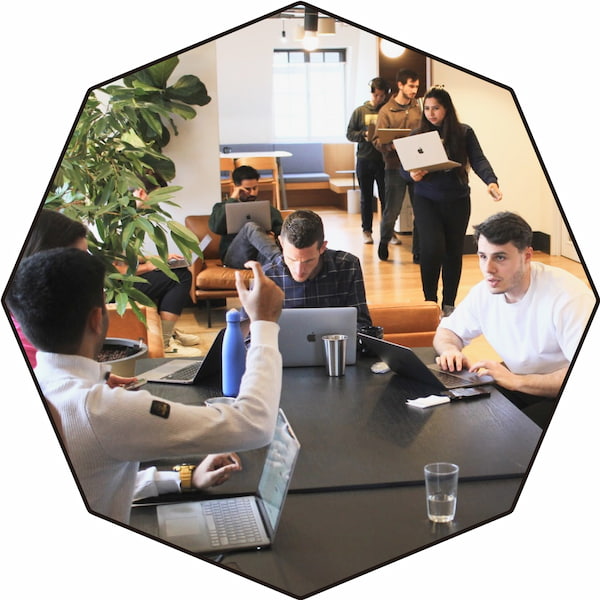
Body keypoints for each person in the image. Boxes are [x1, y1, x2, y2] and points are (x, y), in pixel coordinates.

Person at [6, 250, 285, 524]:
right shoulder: (103, 410)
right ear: (96, 319)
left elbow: (91, 478)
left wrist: (184, 479)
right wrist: (263, 323)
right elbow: (254, 425)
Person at [433, 211, 595, 429]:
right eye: (483, 256)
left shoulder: (568, 297)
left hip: (570, 395)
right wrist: (450, 350)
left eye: (500, 257)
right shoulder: (486, 291)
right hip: (519, 382)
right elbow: (447, 333)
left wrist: (517, 381)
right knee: (462, 417)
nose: (488, 269)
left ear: (527, 256)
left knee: (512, 434)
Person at [402, 86, 503, 316]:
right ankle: (430, 302)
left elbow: (479, 160)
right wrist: (412, 174)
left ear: (446, 108)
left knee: (453, 251)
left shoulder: (464, 132)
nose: (431, 113)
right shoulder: (417, 135)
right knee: (431, 248)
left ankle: (449, 304)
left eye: (435, 108)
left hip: (457, 199)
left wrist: (491, 182)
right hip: (426, 199)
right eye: (427, 108)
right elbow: (403, 169)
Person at [259, 210, 372, 329]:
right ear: (281, 243)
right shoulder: (267, 276)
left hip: (337, 346)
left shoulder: (347, 266)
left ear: (323, 247)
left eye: (308, 261)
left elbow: (362, 324)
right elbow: (249, 336)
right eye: (291, 259)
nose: (299, 271)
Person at [373, 68, 422, 262]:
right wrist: (391, 144)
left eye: (416, 87)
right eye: (411, 86)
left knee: (420, 209)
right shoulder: (386, 110)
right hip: (394, 167)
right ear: (400, 85)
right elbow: (377, 140)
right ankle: (384, 241)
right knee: (392, 210)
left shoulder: (418, 108)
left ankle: (418, 249)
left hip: (418, 165)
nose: (414, 90)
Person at [208, 164, 284, 268]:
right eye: (247, 189)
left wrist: (272, 238)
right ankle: (280, 261)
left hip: (261, 257)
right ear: (236, 187)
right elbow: (215, 228)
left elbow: (282, 233)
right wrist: (232, 199)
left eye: (255, 188)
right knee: (250, 226)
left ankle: (278, 262)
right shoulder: (222, 207)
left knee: (256, 229)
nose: (252, 193)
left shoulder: (267, 209)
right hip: (234, 258)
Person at [346, 77, 389, 244]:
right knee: (366, 196)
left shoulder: (386, 111)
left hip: (383, 160)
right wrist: (364, 135)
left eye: (382, 96)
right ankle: (367, 231)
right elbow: (349, 133)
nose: (378, 99)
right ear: (371, 93)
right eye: (376, 95)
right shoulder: (360, 111)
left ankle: (387, 231)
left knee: (386, 197)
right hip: (364, 159)